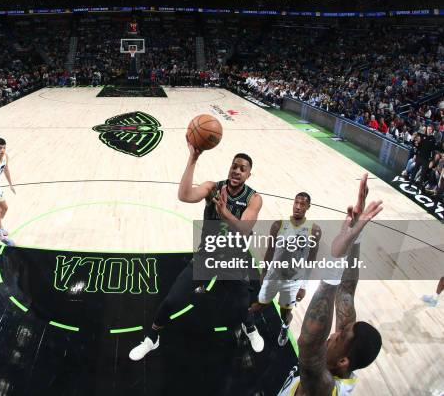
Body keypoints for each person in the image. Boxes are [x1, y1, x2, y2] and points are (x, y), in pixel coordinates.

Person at [129, 143, 264, 361]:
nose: (237, 171)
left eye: (242, 168)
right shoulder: (213, 188)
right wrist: (193, 158)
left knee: (241, 305)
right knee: (172, 300)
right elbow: (184, 195)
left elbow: (245, 228)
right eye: (234, 166)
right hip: (207, 257)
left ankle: (250, 327)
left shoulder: (254, 198)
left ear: (249, 174)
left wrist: (224, 213)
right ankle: (152, 338)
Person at [278, 174, 383, 395]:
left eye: (340, 336)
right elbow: (346, 291)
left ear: (343, 361)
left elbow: (308, 346)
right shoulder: (342, 357)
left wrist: (335, 259)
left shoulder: (325, 388)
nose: (334, 333)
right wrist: (355, 234)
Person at [250, 192, 321, 347]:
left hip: (293, 281)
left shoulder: (314, 231)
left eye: (302, 204)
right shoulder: (278, 225)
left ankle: (285, 326)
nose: (298, 207)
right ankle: (247, 326)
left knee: (285, 313)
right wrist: (263, 272)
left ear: (308, 207)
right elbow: (270, 251)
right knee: (259, 305)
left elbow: (311, 260)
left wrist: (303, 286)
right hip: (273, 276)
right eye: (296, 202)